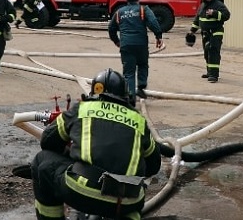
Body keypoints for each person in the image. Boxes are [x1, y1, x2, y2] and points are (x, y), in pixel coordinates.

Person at [31, 68, 161, 220]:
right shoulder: (138, 120)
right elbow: (154, 166)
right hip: (128, 201)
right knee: (129, 198)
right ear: (124, 96)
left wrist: (73, 155)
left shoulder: (82, 109)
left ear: (93, 93)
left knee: (42, 161)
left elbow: (47, 141)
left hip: (83, 193)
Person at [108, 0, 163, 105]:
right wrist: (158, 36)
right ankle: (141, 86)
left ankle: (130, 96)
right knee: (143, 64)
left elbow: (111, 28)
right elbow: (153, 22)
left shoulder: (119, 12)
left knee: (129, 72)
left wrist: (117, 41)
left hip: (126, 45)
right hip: (141, 45)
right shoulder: (143, 10)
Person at [188, 0, 230, 83]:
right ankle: (209, 72)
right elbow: (197, 20)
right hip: (205, 34)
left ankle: (214, 75)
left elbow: (227, 15)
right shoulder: (202, 6)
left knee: (213, 52)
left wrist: (215, 13)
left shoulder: (219, 5)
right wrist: (192, 31)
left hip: (216, 32)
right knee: (207, 53)